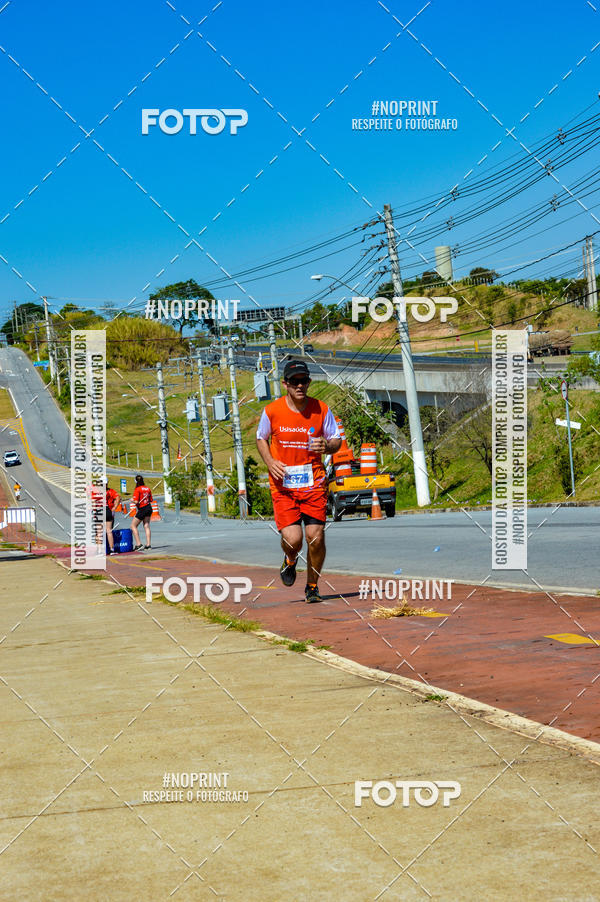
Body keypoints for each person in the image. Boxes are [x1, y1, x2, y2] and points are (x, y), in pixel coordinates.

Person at [256, 358, 341, 603]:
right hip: (284, 486)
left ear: (309, 382)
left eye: (304, 381)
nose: (300, 385)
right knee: (294, 539)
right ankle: (290, 560)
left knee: (316, 537)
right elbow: (261, 438)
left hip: (313, 483)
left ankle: (312, 587)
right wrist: (270, 462)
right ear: (285, 384)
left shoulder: (321, 409)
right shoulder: (272, 411)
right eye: (294, 382)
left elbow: (336, 440)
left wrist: (327, 445)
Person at [131, 475, 153, 551]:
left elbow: (136, 501)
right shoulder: (147, 488)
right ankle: (148, 545)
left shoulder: (137, 489)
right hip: (148, 507)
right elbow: (151, 499)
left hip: (143, 508)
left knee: (133, 526)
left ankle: (138, 544)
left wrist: (132, 500)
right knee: (146, 525)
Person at [104, 477, 121, 556]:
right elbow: (118, 498)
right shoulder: (110, 491)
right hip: (108, 511)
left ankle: (100, 550)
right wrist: (114, 507)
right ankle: (111, 549)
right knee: (109, 531)